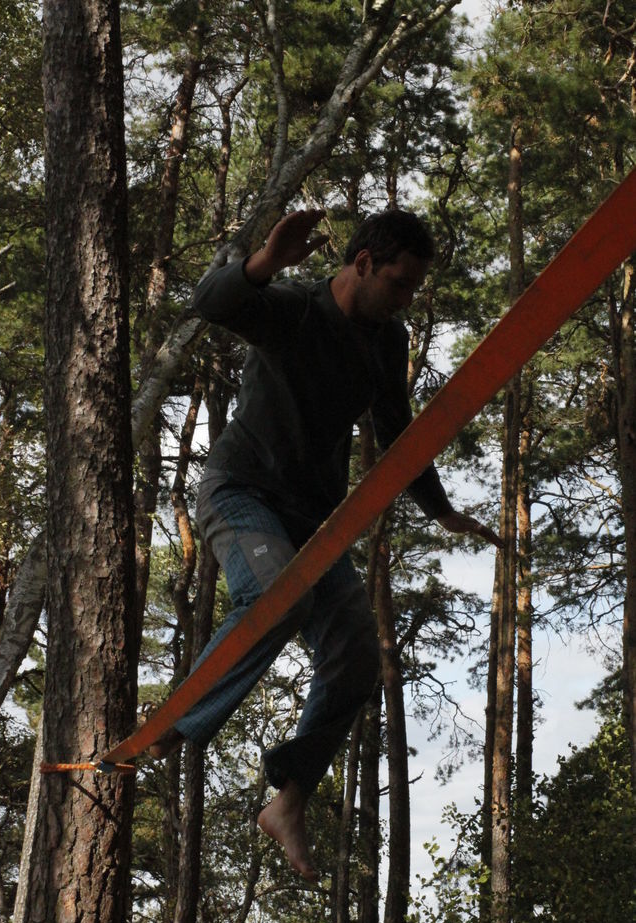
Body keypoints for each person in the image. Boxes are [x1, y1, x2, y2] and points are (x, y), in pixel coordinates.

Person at [148, 208, 501, 881]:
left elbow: (398, 436)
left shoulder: (384, 341)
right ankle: (177, 719)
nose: (404, 301)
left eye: (412, 290)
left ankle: (288, 800)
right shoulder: (293, 311)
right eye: (398, 284)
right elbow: (209, 302)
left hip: (312, 522)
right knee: (279, 598)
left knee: (357, 656)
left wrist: (442, 509)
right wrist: (262, 263)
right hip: (241, 492)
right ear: (362, 262)